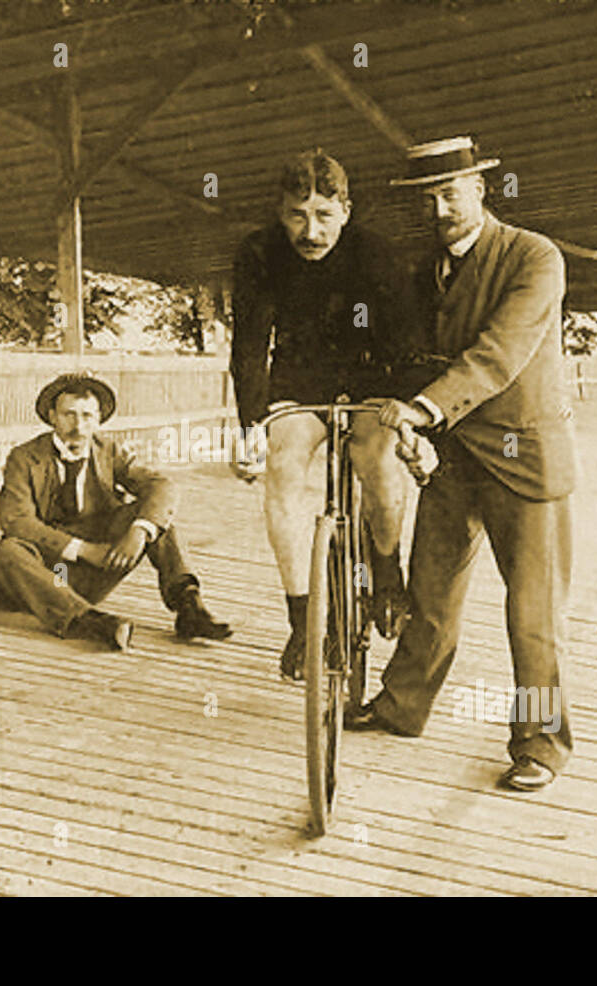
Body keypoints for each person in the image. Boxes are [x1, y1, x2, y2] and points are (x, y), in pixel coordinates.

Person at [351, 136, 577, 793]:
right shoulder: (428, 274)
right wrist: (399, 410)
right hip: (453, 457)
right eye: (428, 199)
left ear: (482, 189)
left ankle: (541, 744)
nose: (441, 207)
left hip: (524, 459)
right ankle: (400, 708)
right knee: (431, 593)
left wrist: (422, 410)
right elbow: (419, 354)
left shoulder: (534, 257)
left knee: (531, 613)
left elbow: (499, 353)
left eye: (452, 192)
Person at [230, 148, 415, 682]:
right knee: (282, 468)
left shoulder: (376, 253)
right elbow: (249, 345)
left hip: (370, 377)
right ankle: (302, 619)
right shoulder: (259, 252)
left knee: (375, 458)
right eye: (297, 215)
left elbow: (405, 343)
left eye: (324, 216)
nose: (310, 231)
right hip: (299, 378)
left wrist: (404, 416)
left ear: (347, 212)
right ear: (280, 210)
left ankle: (386, 569)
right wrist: (249, 430)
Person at [0, 372, 231, 651]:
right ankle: (90, 621)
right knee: (8, 552)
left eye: (87, 416)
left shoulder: (109, 451)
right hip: (40, 576)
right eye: (68, 415)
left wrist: (139, 531)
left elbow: (161, 486)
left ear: (99, 420)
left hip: (92, 573)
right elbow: (16, 521)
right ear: (51, 415)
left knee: (154, 518)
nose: (78, 426)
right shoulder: (24, 457)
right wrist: (82, 549)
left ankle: (190, 608)